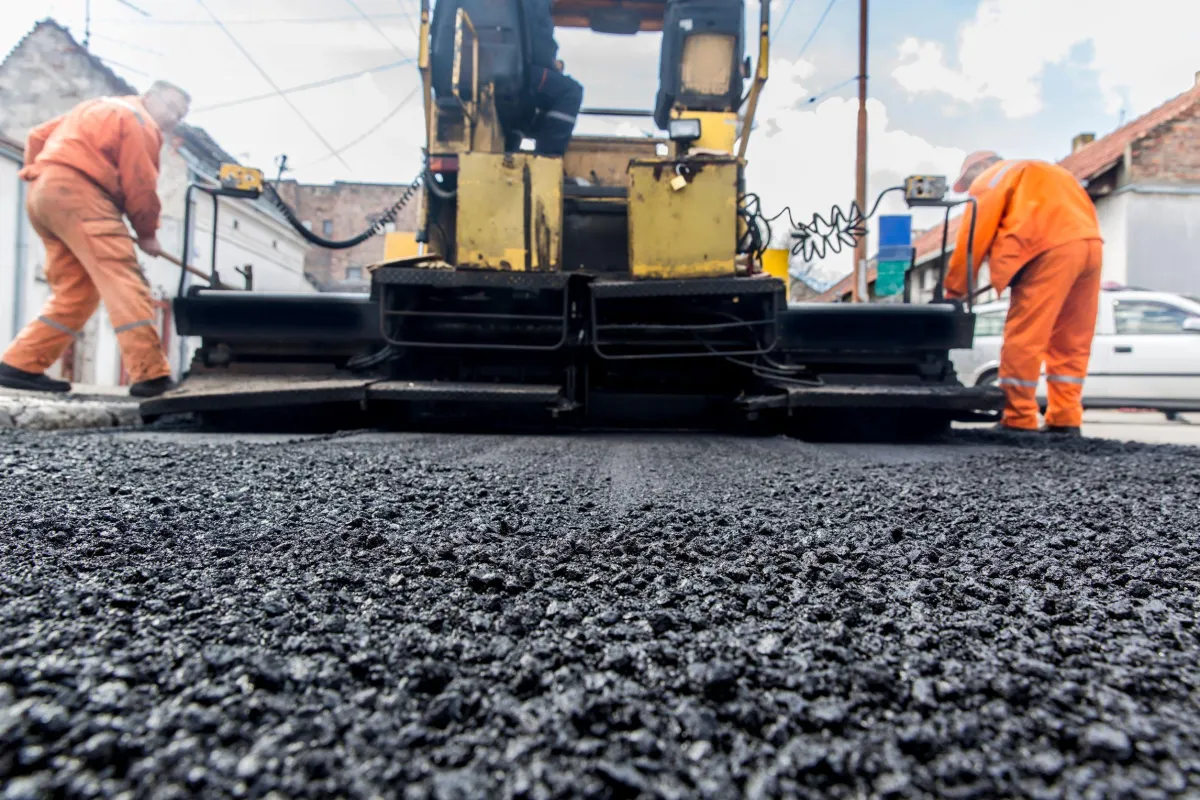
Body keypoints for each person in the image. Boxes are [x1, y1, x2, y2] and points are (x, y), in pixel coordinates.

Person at [0, 81, 191, 398]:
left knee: (77, 292)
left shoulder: (95, 107)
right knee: (125, 281)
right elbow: (140, 183)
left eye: (180, 115)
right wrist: (147, 233)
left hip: (44, 194)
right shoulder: (140, 121)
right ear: (148, 97)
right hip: (83, 196)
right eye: (170, 107)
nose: (173, 117)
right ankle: (151, 375)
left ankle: (21, 364)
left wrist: (43, 176)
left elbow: (37, 136)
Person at [947, 150, 1103, 436]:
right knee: (1071, 340)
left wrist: (954, 292)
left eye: (967, 180)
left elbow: (973, 237)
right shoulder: (1054, 173)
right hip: (1090, 247)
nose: (970, 188)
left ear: (981, 166)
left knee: (1025, 338)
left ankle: (1019, 418)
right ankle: (1065, 417)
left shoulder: (993, 177)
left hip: (1044, 250)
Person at [516, 0, 583, 157]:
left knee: (522, 104)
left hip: (483, 75)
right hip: (523, 73)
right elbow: (540, 45)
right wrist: (552, 66)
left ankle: (511, 140)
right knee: (570, 91)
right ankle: (549, 156)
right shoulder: (536, 4)